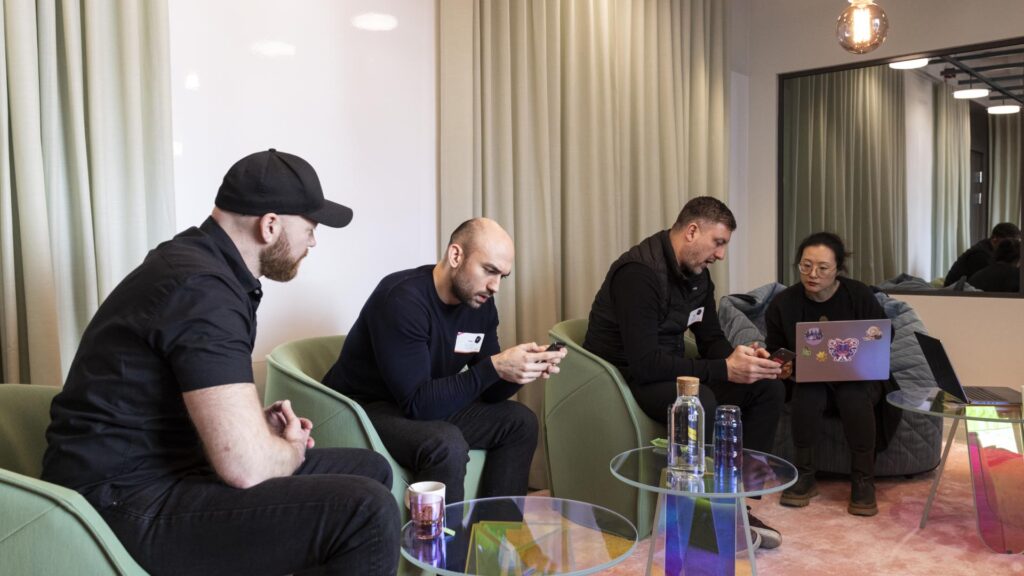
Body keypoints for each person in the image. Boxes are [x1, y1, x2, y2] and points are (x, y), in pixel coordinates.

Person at [42, 149, 400, 576]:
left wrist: (253, 426)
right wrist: (286, 449)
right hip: (125, 499)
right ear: (270, 226)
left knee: (372, 469)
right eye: (311, 227)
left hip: (168, 468)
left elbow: (190, 401)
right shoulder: (203, 290)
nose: (314, 241)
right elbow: (244, 466)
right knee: (367, 512)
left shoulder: (202, 266)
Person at [583, 196, 786, 549]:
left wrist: (742, 358)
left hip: (673, 371)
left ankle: (736, 505)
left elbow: (711, 340)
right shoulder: (638, 274)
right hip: (628, 378)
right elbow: (646, 363)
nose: (721, 255)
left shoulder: (698, 277)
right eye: (718, 243)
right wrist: (724, 369)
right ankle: (701, 516)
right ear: (692, 231)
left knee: (766, 388)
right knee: (700, 401)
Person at [322, 218, 567, 506]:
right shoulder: (402, 299)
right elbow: (418, 403)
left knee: (520, 422)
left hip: (421, 401)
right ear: (455, 255)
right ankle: (443, 550)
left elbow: (488, 391)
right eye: (489, 270)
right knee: (445, 443)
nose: (495, 286)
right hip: (363, 407)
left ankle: (494, 543)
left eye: (502, 276)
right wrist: (495, 367)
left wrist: (521, 370)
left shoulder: (480, 305)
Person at [764, 232, 901, 517]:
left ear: (837, 269)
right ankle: (804, 475)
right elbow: (776, 349)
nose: (813, 274)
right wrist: (782, 367)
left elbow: (884, 335)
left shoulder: (858, 294)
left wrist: (873, 334)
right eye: (805, 266)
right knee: (807, 393)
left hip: (859, 378)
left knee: (853, 396)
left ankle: (863, 480)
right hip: (810, 378)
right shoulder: (783, 304)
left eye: (822, 268)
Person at [943, 222, 1021, 286]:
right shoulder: (981, 255)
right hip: (955, 295)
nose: (1013, 246)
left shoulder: (988, 249)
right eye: (1008, 242)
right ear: (994, 239)